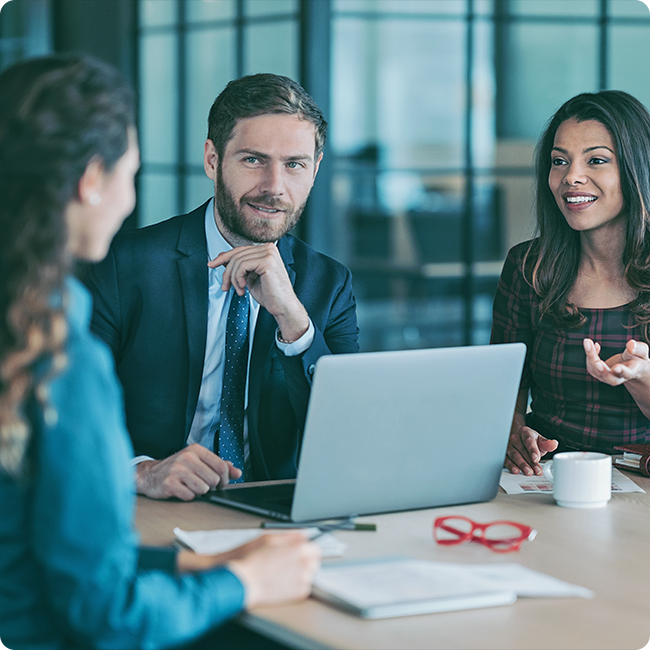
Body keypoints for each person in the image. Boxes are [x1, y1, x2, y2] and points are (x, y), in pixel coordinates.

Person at [0, 54, 320, 650]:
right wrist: (242, 582)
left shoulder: (26, 319)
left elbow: (41, 552)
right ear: (93, 179)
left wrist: (195, 568)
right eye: (131, 170)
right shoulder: (57, 348)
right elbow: (110, 615)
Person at [84, 73, 359, 501]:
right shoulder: (123, 265)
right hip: (148, 506)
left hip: (272, 511)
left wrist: (294, 320)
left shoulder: (329, 283)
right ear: (213, 159)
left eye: (294, 164)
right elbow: (64, 416)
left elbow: (348, 434)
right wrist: (140, 472)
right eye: (253, 160)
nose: (274, 187)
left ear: (315, 169)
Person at [492, 90, 650, 476]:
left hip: (639, 477)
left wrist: (640, 378)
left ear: (636, 168)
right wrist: (515, 433)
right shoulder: (528, 266)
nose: (571, 177)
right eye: (559, 161)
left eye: (596, 160)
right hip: (545, 475)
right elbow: (504, 384)